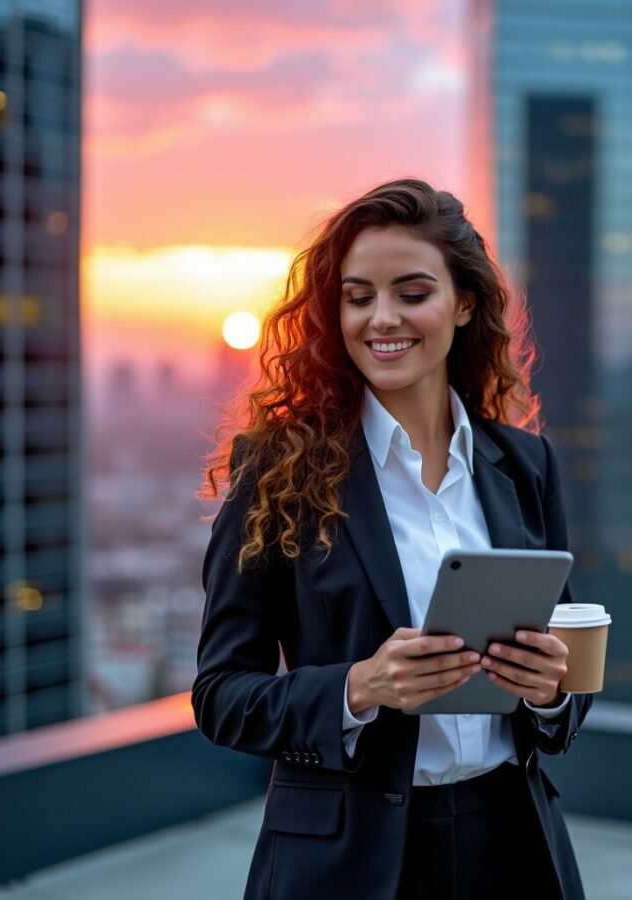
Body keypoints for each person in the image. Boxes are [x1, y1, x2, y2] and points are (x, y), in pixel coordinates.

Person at [192, 178, 592, 900]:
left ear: (464, 304)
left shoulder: (525, 464)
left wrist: (548, 694)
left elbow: (566, 668)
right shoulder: (280, 470)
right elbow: (222, 695)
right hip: (348, 861)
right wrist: (360, 686)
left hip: (513, 843)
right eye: (358, 296)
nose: (382, 319)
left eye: (412, 293)